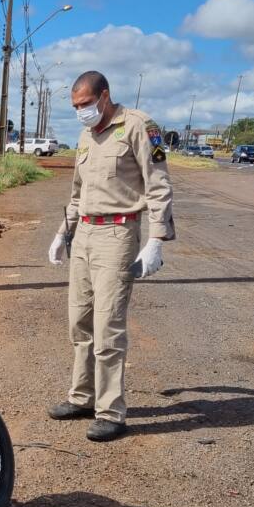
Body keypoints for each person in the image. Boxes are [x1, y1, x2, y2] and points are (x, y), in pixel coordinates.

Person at [47, 71, 175, 442]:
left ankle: (111, 411)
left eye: (86, 104)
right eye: (75, 107)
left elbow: (159, 183)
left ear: (105, 96)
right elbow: (76, 193)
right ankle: (82, 397)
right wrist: (62, 233)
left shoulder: (139, 126)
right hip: (84, 233)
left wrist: (157, 239)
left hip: (118, 234)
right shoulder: (86, 136)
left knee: (108, 326)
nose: (81, 112)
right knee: (79, 322)